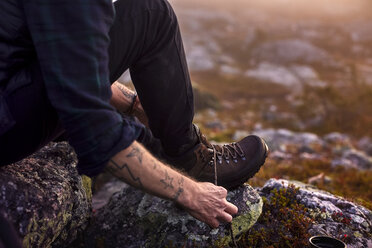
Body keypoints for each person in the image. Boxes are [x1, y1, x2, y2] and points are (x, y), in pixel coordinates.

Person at [0, 0, 268, 229]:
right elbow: (91, 126)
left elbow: (58, 53)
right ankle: (191, 160)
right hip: (7, 125)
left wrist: (132, 105)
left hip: (11, 95)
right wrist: (189, 193)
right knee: (151, 12)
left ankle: (161, 150)